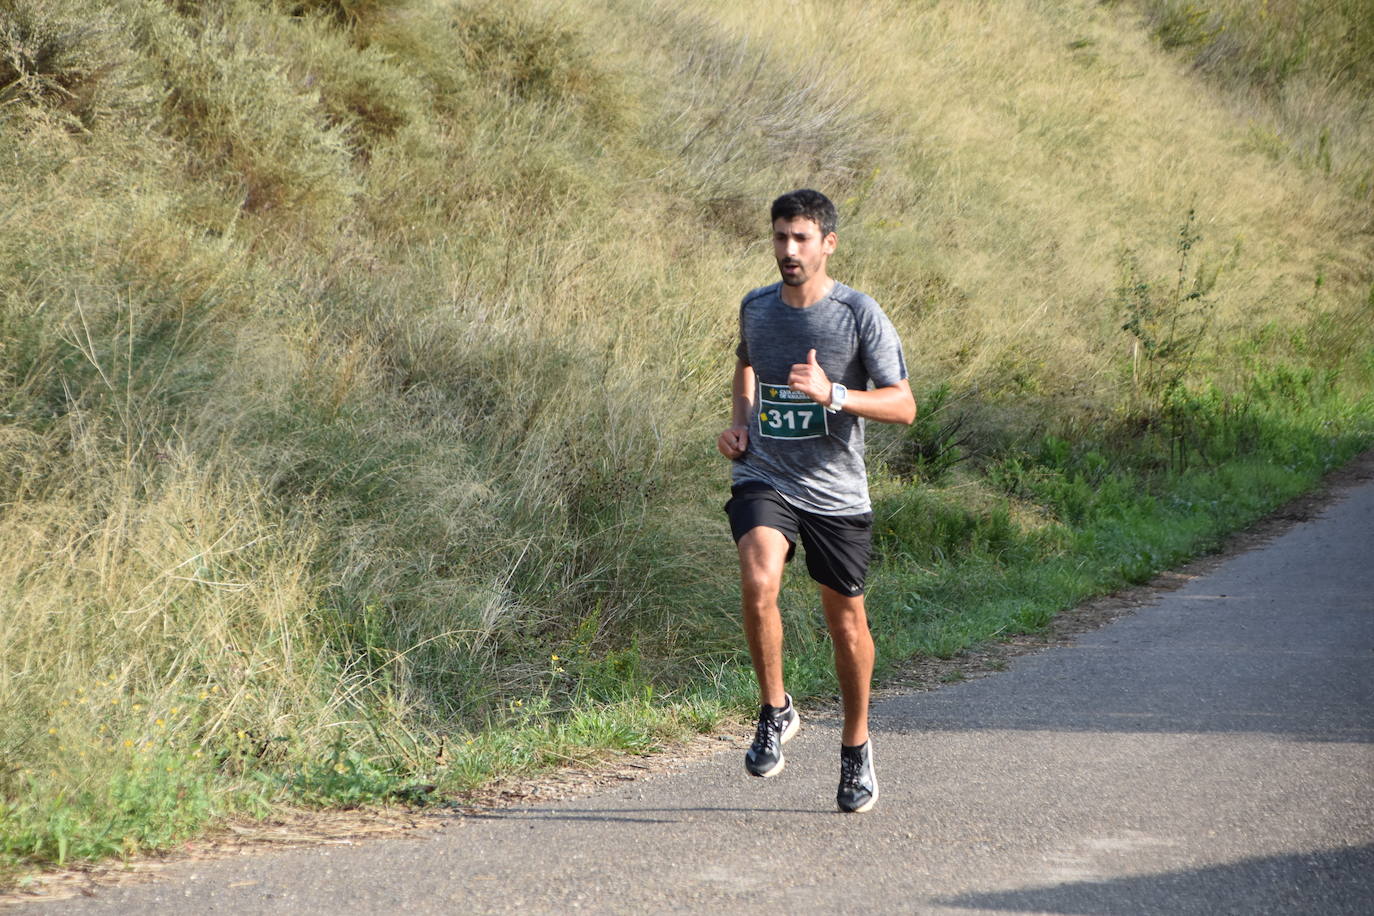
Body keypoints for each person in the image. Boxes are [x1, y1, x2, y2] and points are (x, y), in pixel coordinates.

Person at [717, 188, 915, 813]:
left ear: (828, 243)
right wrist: (741, 423)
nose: (789, 249)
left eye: (801, 238)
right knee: (758, 578)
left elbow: (903, 404)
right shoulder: (756, 307)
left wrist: (834, 395)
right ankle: (775, 708)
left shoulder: (858, 314)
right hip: (766, 473)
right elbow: (747, 365)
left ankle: (855, 746)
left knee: (845, 622)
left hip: (835, 489)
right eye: (780, 236)